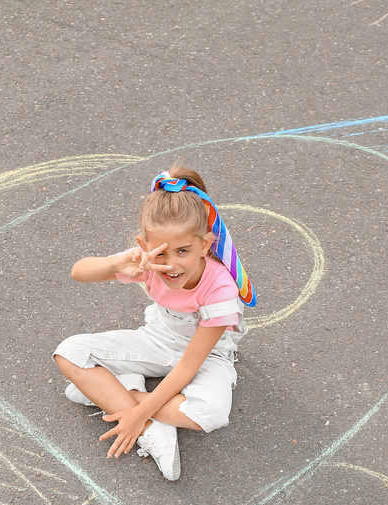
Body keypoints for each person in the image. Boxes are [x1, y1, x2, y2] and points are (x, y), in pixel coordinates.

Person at [53, 166, 255, 481]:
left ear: (204, 245)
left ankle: (118, 393)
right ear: (144, 245)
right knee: (69, 352)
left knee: (212, 413)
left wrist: (136, 413)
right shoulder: (147, 261)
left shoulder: (220, 289)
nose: (171, 264)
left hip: (207, 357)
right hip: (157, 339)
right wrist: (119, 263)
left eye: (184, 251)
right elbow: (79, 271)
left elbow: (188, 367)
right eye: (163, 253)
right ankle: (154, 430)